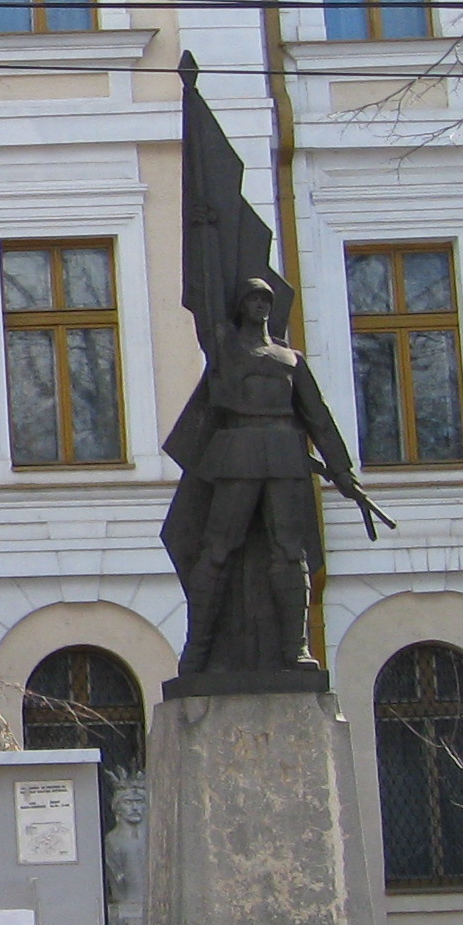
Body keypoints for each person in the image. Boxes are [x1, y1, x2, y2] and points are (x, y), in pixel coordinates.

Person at [165, 275, 384, 678]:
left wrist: (342, 470)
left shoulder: (291, 360)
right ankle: (198, 649)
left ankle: (295, 647)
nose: (260, 305)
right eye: (252, 299)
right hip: (239, 451)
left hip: (284, 454)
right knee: (218, 548)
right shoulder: (226, 350)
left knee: (289, 551)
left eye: (266, 299)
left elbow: (318, 417)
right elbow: (207, 299)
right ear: (240, 306)